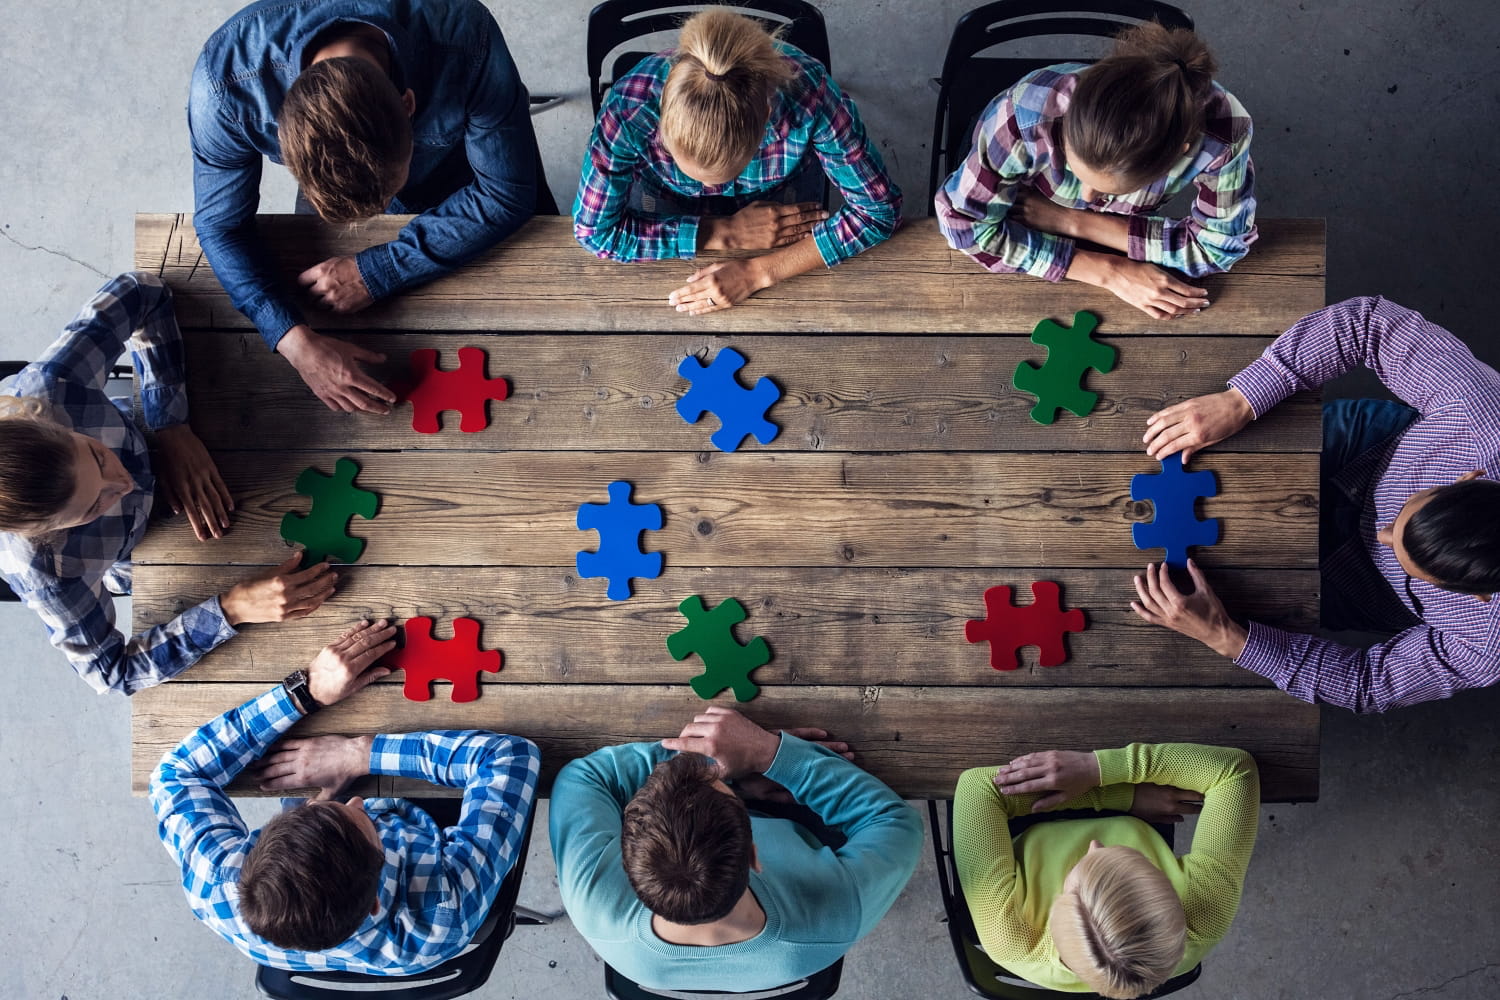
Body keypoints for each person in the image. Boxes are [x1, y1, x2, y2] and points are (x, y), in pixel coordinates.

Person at [1133, 297, 1500, 712]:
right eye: (1401, 520)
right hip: (1368, 452)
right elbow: (1369, 324)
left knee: (1242, 602)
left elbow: (1369, 684)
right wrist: (1243, 399)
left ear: (1481, 596)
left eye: (1410, 563)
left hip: (1365, 584)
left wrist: (1226, 637)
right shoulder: (1485, 421)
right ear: (1471, 475)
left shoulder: (1490, 638)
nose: (1383, 536)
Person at [191, 0, 555, 415]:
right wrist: (290, 338)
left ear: (408, 105)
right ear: (285, 135)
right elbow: (220, 226)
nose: (377, 218)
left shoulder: (465, 35)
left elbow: (507, 192)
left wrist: (378, 271)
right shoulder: (223, 86)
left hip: (455, 167)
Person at [0, 272, 336, 695]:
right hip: (142, 553)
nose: (122, 484)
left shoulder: (50, 388)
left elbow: (141, 292)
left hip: (172, 436)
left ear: (49, 423)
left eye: (98, 456)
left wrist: (169, 423)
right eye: (91, 509)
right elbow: (113, 673)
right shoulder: (47, 572)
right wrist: (232, 608)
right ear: (45, 533)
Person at [150, 618, 542, 973]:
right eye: (367, 823)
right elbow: (511, 756)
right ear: (375, 900)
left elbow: (175, 773)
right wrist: (358, 753)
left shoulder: (216, 886)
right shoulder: (445, 908)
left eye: (319, 810)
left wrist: (305, 693)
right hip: (426, 840)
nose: (357, 802)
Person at [549, 706, 923, 991]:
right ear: (755, 855)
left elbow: (583, 776)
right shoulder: (838, 909)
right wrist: (767, 753)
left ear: (628, 865)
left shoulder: (593, 901)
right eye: (723, 785)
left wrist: (702, 763)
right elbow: (896, 822)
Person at [573, 8, 901, 317]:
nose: (711, 189)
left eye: (725, 172)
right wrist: (725, 233)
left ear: (767, 119)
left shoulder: (811, 96)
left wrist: (758, 272)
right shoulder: (629, 107)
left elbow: (878, 210)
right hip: (665, 193)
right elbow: (594, 232)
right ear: (661, 120)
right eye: (696, 173)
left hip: (781, 186)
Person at [934, 23, 1256, 321]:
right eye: (1075, 169)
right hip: (1019, 185)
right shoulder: (1025, 115)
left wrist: (1072, 221)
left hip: (1034, 213)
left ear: (1176, 158)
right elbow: (963, 224)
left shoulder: (1224, 136)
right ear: (1068, 118)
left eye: (1108, 192)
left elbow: (1217, 247)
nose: (1085, 197)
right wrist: (1109, 270)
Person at [954, 743, 1259, 998]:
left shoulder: (1010, 935)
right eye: (1134, 861)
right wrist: (1101, 774)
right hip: (1136, 811)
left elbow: (977, 787)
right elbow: (1235, 771)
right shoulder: (1204, 919)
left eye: (1081, 867)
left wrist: (1117, 795)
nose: (1096, 845)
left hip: (1033, 818)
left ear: (1056, 909)